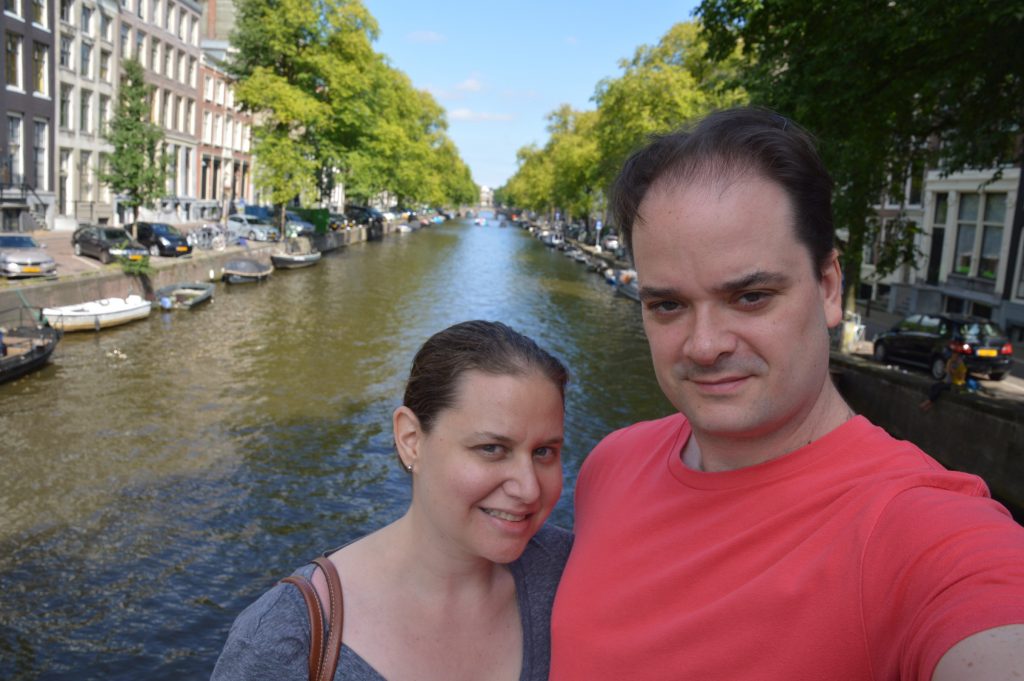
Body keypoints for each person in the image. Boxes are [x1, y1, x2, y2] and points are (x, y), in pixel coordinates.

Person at [550, 107, 1024, 680]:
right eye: (668, 305)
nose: (703, 346)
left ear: (828, 288)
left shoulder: (919, 533)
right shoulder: (610, 464)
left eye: (750, 297)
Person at [212, 320, 572, 681]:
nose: (529, 489)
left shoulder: (573, 569)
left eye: (544, 451)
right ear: (411, 439)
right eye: (492, 448)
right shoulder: (281, 640)